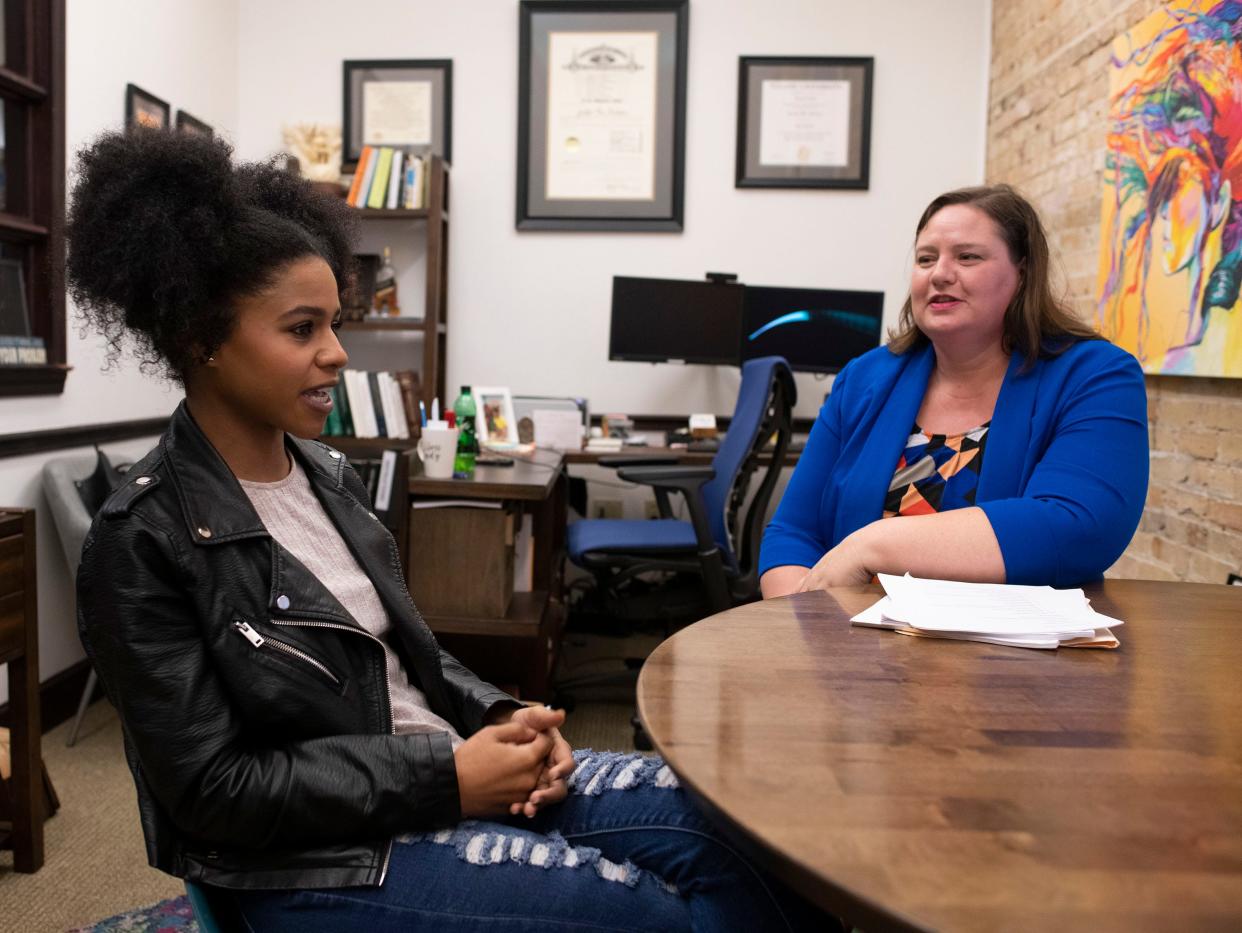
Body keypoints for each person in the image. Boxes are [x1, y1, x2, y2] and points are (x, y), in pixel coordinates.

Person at [68, 130, 826, 932]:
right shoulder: (140, 539)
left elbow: (406, 659)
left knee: (746, 841)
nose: (336, 353)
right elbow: (213, 792)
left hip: (435, 772)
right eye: (301, 330)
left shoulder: (327, 475)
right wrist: (451, 777)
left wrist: (496, 713)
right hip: (305, 862)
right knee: (660, 917)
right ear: (200, 340)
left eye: (335, 323)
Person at [760, 185, 1149, 598]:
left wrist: (871, 546)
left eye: (967, 257)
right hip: (852, 645)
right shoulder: (864, 378)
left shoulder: (1095, 375)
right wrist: (801, 626)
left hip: (1010, 654)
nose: (939, 273)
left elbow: (1077, 526)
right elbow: (792, 532)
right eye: (926, 258)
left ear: (1024, 273)